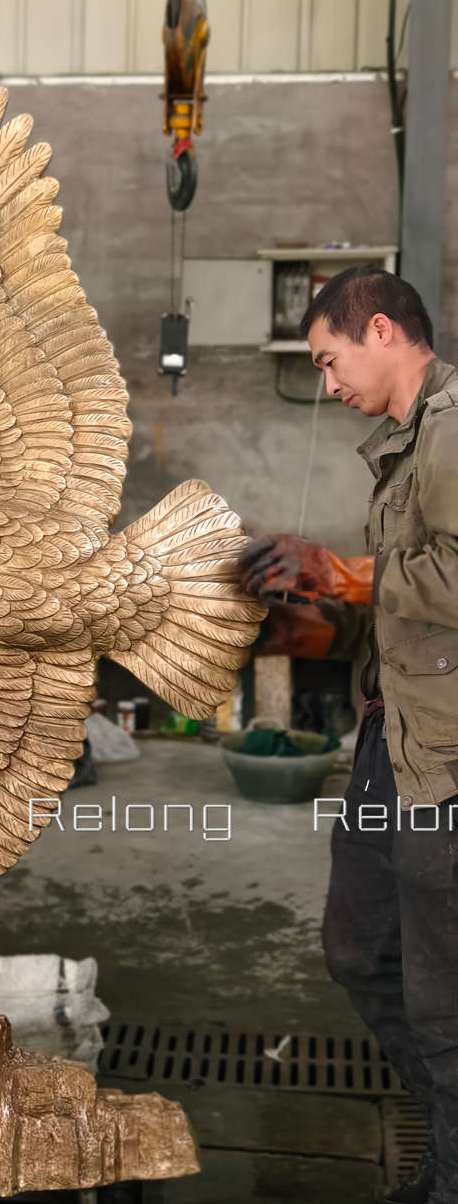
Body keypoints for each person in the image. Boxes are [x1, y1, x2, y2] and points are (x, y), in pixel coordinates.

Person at [239, 267, 458, 1204]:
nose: (328, 385)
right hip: (386, 738)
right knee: (357, 948)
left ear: (380, 330)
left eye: (329, 362)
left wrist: (347, 573)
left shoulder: (454, 430)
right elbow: (404, 599)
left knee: (442, 1002)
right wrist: (318, 612)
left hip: (442, 760)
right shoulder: (405, 444)